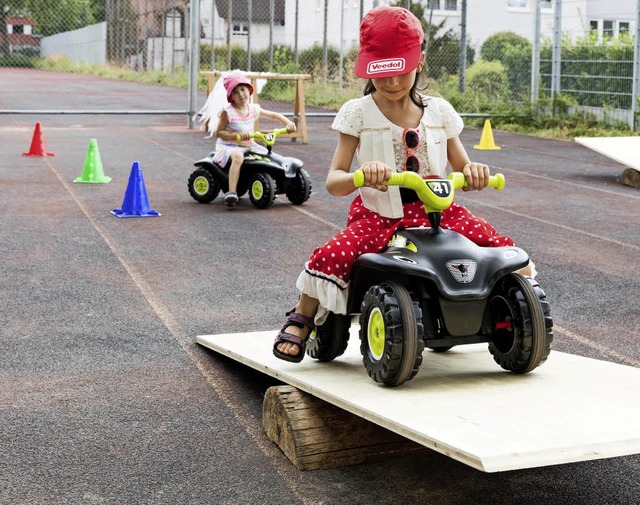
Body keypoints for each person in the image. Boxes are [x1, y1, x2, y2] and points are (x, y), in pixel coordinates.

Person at [273, 5, 535, 362]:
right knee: (333, 254)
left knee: (502, 250)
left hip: (439, 213)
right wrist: (362, 177)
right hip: (380, 215)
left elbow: (463, 166)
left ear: (420, 62)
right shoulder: (358, 113)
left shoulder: (439, 111)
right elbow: (334, 181)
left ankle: (504, 311)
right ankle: (303, 316)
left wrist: (475, 173)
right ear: (367, 67)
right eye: (382, 74)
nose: (392, 82)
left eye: (400, 72)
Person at [213, 71, 296, 206]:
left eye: (242, 89)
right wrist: (236, 136)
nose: (240, 94)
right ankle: (232, 192)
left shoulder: (253, 109)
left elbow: (274, 115)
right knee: (238, 157)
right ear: (231, 97)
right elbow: (219, 132)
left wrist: (288, 123)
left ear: (248, 90)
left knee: (267, 155)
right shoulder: (227, 112)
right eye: (235, 92)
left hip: (248, 144)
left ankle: (273, 180)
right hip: (229, 146)